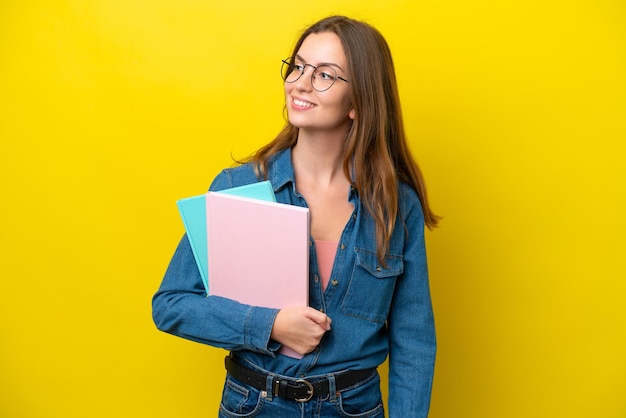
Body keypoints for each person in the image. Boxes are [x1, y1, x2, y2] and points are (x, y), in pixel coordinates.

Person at [152, 15, 439, 417]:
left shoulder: (395, 204)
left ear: (359, 101)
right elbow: (171, 305)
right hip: (253, 405)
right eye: (298, 66)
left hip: (354, 407)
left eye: (325, 74)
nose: (300, 83)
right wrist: (269, 325)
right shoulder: (237, 187)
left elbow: (414, 340)